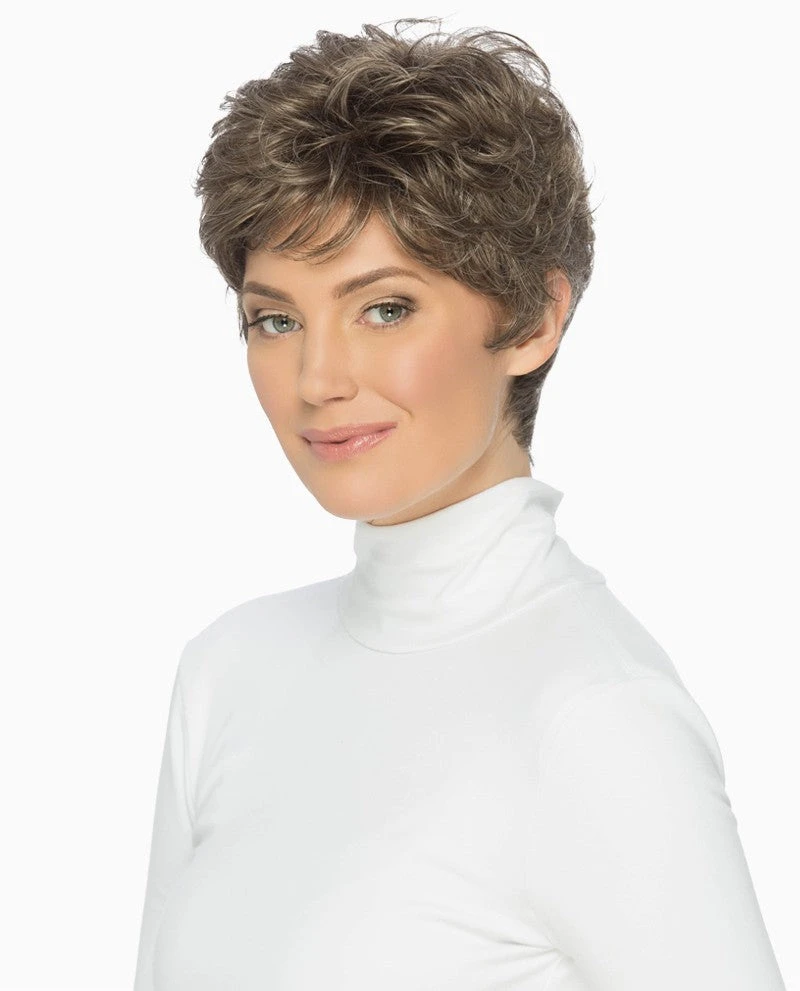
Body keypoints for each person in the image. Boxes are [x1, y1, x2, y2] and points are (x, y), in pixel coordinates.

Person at [133, 17, 786, 991]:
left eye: (384, 308)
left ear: (531, 319)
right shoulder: (228, 672)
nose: (318, 378)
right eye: (274, 319)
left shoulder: (598, 720)